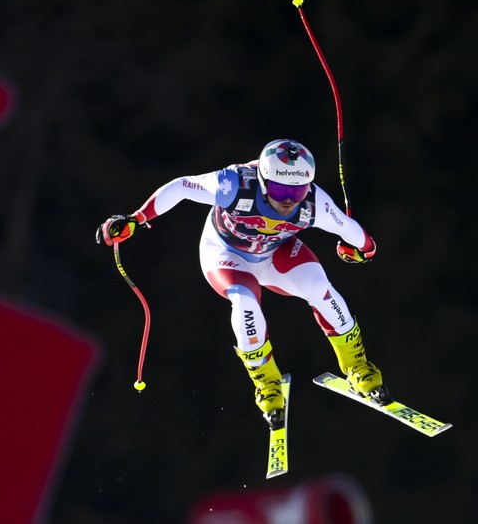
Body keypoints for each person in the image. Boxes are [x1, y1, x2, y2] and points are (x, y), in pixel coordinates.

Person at [96, 139, 390, 430]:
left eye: (297, 191)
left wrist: (366, 250)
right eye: (278, 189)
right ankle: (266, 383)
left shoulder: (315, 203)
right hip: (226, 254)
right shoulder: (234, 184)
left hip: (275, 253)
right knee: (245, 301)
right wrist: (137, 218)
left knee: (319, 287)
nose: (288, 199)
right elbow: (182, 187)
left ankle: (358, 367)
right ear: (262, 179)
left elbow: (351, 231)